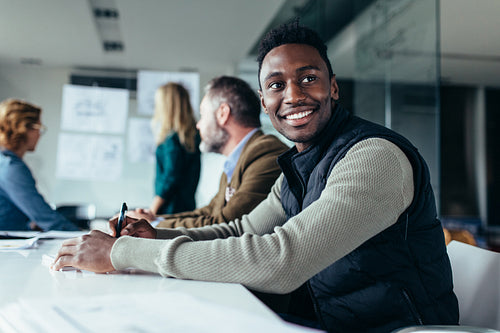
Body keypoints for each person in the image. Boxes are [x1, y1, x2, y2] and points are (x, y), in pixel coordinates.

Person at [53, 20, 459, 332]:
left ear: (333, 88)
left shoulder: (374, 157)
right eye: (277, 85)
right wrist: (153, 237)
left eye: (309, 79)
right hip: (323, 319)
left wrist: (119, 254)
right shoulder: (301, 166)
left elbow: (282, 260)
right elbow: (241, 230)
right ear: (265, 103)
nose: (294, 95)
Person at [131, 76, 289, 228]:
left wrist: (153, 224)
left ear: (222, 113)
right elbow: (209, 211)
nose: (198, 125)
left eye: (202, 115)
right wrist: (153, 219)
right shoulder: (235, 162)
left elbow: (224, 223)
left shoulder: (266, 155)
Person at [0, 98, 79, 231]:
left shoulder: (5, 161)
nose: (39, 135)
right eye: (39, 128)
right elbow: (45, 218)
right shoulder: (11, 166)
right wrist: (84, 238)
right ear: (24, 128)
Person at [148, 82, 201, 215]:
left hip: (169, 209)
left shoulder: (172, 140)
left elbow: (171, 177)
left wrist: (152, 209)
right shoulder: (191, 138)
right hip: (186, 207)